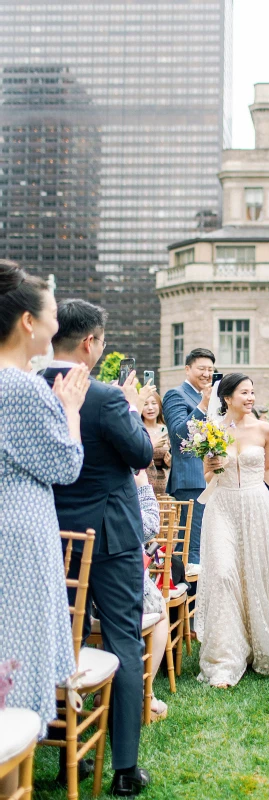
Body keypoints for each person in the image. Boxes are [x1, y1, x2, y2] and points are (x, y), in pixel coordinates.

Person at [43, 298, 154, 798]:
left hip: (52, 534)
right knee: (123, 641)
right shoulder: (107, 397)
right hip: (109, 538)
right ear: (90, 343)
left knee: (62, 642)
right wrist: (130, 409)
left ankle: (65, 745)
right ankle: (125, 767)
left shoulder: (28, 388)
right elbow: (142, 453)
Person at [0, 262, 87, 764]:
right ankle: (14, 775)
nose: (58, 323)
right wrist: (70, 410)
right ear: (29, 323)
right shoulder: (25, 387)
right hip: (21, 532)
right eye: (53, 313)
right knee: (18, 653)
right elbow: (65, 464)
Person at [194, 373, 269, 688]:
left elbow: (266, 470)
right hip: (222, 507)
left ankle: (259, 641)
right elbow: (208, 478)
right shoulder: (210, 432)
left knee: (256, 574)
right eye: (243, 392)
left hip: (255, 506)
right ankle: (225, 659)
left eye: (252, 392)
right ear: (227, 398)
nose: (250, 397)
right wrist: (212, 467)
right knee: (223, 573)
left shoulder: (266, 430)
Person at [162, 348, 215, 567]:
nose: (207, 374)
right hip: (192, 480)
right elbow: (177, 434)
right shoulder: (176, 395)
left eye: (211, 369)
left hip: (213, 477)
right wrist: (203, 405)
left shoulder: (214, 398)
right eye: (202, 368)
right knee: (193, 545)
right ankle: (192, 597)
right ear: (187, 369)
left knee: (211, 543)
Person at [134, 470, 168, 721]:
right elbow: (149, 527)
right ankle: (146, 691)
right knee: (159, 610)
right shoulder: (125, 476)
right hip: (116, 581)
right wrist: (144, 486)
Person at [141, 391, 171, 496]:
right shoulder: (137, 430)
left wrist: (169, 462)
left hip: (162, 483)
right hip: (142, 480)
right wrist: (153, 445)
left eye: (154, 403)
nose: (150, 408)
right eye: (145, 404)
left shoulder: (166, 430)